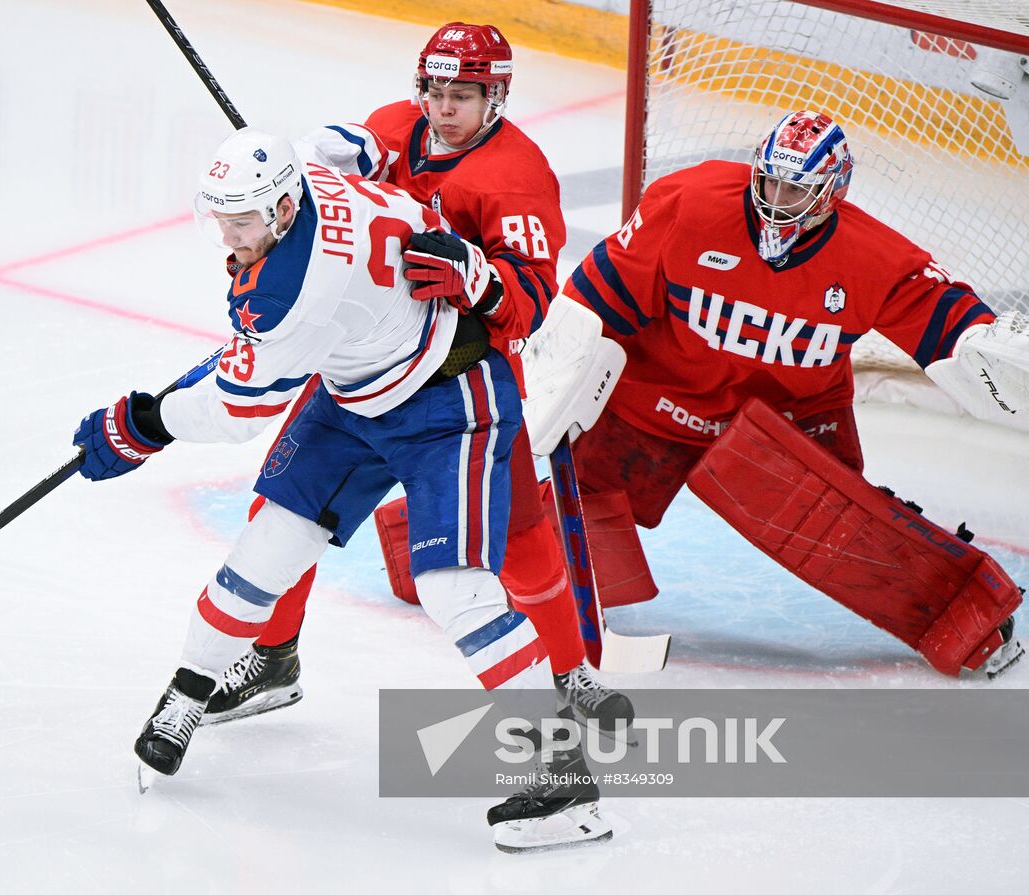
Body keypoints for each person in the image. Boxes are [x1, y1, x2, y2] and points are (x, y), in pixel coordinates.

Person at [72, 126, 612, 851]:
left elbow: (236, 412)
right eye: (222, 220)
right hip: (357, 388)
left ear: (287, 210)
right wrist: (356, 153)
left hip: (447, 400)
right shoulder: (306, 192)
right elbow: (336, 148)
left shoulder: (290, 293)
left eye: (245, 221)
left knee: (453, 586)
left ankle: (566, 778)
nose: (230, 238)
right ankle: (187, 694)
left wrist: (142, 423)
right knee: (263, 550)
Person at [202, 21, 633, 735]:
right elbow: (324, 223)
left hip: (460, 387)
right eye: (433, 89)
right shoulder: (392, 128)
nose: (442, 107)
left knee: (523, 538)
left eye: (461, 93)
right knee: (284, 516)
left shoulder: (518, 177)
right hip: (361, 367)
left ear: (495, 96)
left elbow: (528, 308)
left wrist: (481, 280)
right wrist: (301, 177)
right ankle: (273, 659)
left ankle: (567, 673)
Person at [561, 109, 1026, 676]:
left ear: (833, 192)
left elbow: (943, 318)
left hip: (790, 428)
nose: (779, 199)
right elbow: (593, 303)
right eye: (771, 181)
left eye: (798, 187)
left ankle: (968, 618)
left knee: (855, 537)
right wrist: (555, 390)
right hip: (657, 401)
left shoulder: (870, 257)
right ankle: (440, 556)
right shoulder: (691, 203)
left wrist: (985, 340)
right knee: (555, 495)